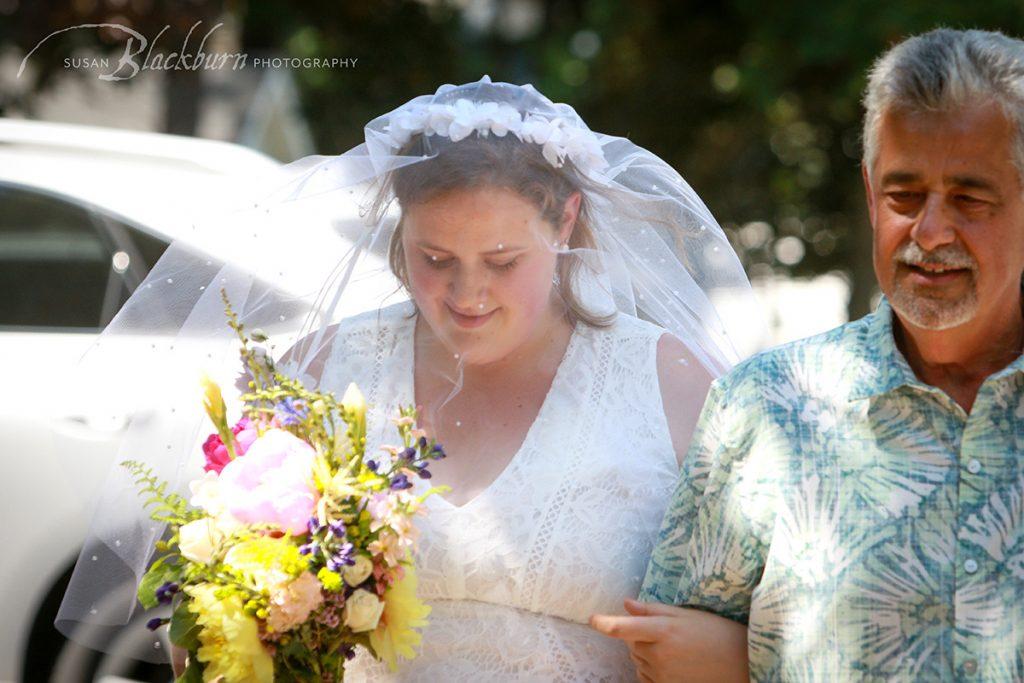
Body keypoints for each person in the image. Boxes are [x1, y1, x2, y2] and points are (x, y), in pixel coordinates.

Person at [57, 77, 759, 680]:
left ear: (567, 216)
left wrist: (734, 654)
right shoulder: (327, 369)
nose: (467, 293)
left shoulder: (666, 379)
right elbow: (207, 628)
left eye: (503, 259)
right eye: (435, 256)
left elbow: (786, 612)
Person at [595, 28, 1024, 681]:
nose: (931, 232)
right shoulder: (762, 407)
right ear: (869, 188)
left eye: (969, 198)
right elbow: (667, 662)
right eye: (904, 195)